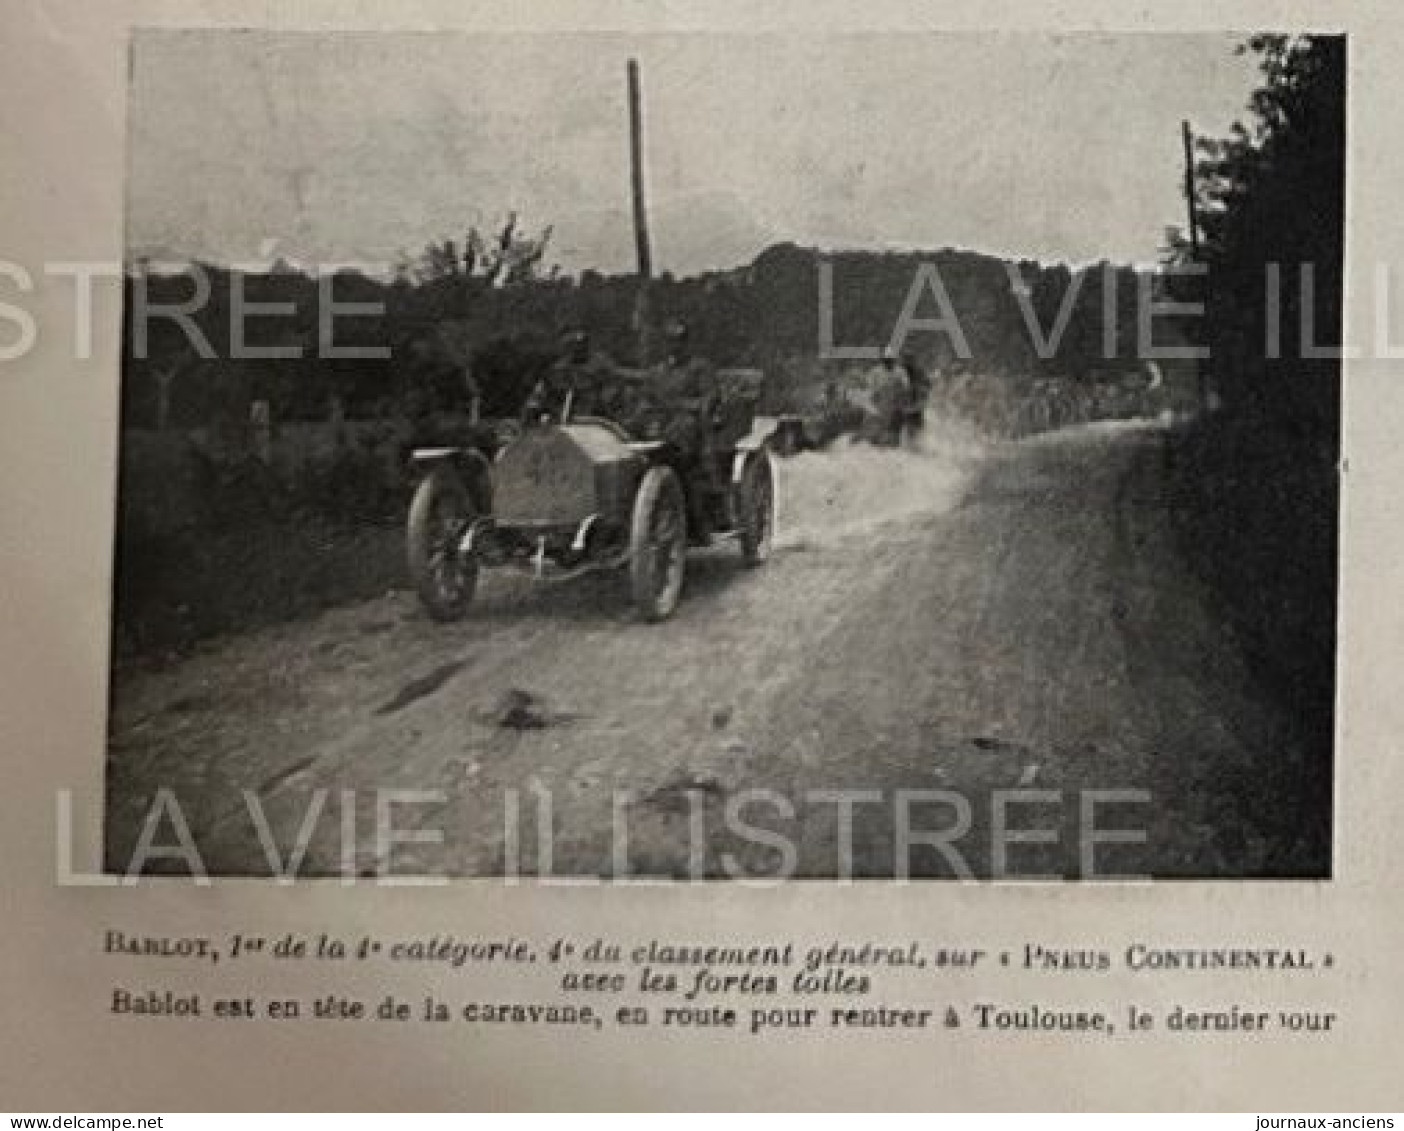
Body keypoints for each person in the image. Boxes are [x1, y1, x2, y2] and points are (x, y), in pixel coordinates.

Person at [522, 327, 616, 424]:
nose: (578, 349)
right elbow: (540, 392)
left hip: (592, 422)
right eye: (575, 346)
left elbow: (611, 395)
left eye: (582, 345)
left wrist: (602, 404)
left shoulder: (601, 367)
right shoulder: (558, 370)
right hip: (558, 421)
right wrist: (533, 407)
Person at [860, 346, 911, 447]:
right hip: (879, 401)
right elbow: (869, 387)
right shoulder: (875, 371)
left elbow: (906, 387)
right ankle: (872, 440)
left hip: (895, 402)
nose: (888, 362)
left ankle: (896, 441)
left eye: (890, 360)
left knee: (898, 421)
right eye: (886, 360)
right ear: (883, 359)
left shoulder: (900, 371)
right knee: (873, 421)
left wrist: (901, 397)